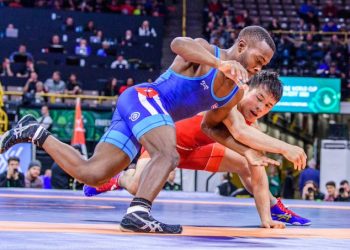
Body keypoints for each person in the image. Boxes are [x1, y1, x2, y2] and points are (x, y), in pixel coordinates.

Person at [0, 26, 277, 233]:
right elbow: (178, 43)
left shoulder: (234, 95)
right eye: (259, 59)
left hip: (142, 112)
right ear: (241, 45)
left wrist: (245, 153)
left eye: (264, 64)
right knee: (168, 155)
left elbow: (210, 128)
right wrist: (220, 63)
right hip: (145, 98)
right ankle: (138, 213)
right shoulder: (207, 53)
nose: (259, 67)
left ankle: (34, 131)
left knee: (93, 174)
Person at [84, 71, 310, 227]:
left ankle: (273, 208)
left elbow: (258, 170)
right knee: (136, 187)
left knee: (250, 162)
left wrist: (265, 220)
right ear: (246, 88)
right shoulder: (229, 95)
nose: (260, 107)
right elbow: (240, 131)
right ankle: (119, 179)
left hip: (197, 150)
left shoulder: (255, 123)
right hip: (164, 145)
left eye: (268, 106)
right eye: (259, 98)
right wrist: (286, 148)